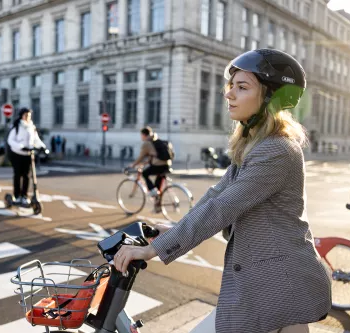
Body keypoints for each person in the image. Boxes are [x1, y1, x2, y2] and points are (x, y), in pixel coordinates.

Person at [114, 49, 331, 333]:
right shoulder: (257, 144)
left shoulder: (276, 150)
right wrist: (173, 228)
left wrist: (154, 250)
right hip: (264, 286)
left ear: (270, 98)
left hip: (280, 285)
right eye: (231, 86)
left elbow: (223, 208)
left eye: (242, 87)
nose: (229, 94)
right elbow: (216, 194)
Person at [7, 107, 46, 205]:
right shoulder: (16, 127)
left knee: (27, 176)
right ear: (21, 116)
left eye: (29, 115)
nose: (28, 117)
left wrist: (42, 147)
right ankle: (16, 195)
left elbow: (36, 139)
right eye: (26, 115)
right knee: (17, 175)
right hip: (16, 154)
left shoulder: (31, 127)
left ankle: (24, 196)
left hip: (28, 154)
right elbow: (10, 140)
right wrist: (20, 147)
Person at [128, 126, 171, 197]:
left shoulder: (147, 143)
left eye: (141, 135)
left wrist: (133, 165)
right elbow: (153, 156)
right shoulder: (155, 140)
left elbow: (141, 157)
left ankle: (153, 191)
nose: (141, 137)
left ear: (144, 135)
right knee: (157, 189)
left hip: (159, 165)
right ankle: (158, 206)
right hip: (166, 164)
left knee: (145, 174)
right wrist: (145, 163)